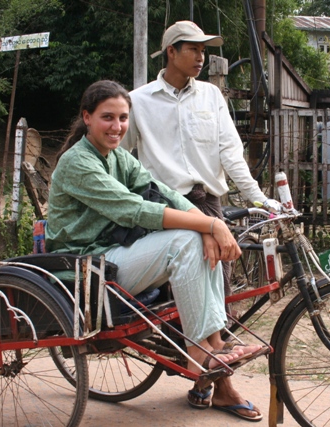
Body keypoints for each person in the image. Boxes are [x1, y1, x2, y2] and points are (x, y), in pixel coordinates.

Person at [46, 80, 264, 422]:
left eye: (122, 118)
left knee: (194, 237)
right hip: (82, 267)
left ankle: (215, 344)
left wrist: (204, 222)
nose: (117, 127)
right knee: (185, 240)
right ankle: (198, 353)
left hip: (112, 257)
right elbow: (132, 209)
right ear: (86, 117)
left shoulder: (117, 157)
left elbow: (160, 191)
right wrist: (208, 225)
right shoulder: (77, 163)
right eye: (107, 117)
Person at [121, 20, 281, 303]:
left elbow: (231, 153)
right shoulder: (139, 101)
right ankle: (182, 344)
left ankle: (218, 341)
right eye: (193, 49)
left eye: (203, 51)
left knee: (219, 276)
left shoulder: (211, 95)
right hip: (166, 207)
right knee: (176, 288)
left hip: (208, 202)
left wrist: (259, 200)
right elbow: (119, 156)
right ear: (171, 51)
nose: (200, 58)